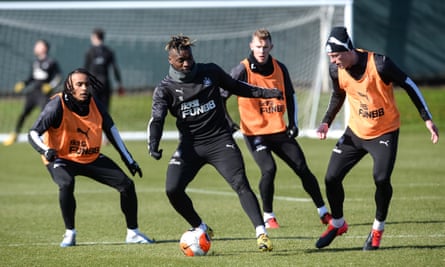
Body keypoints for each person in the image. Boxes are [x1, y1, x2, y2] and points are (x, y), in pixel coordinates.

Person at [147, 34, 284, 252]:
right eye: (181, 60)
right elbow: (157, 119)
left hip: (220, 142)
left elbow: (239, 87)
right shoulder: (165, 89)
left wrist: (267, 93)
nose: (187, 63)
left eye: (189, 58)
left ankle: (261, 233)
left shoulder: (209, 71)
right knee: (172, 189)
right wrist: (153, 144)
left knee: (241, 184)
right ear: (170, 61)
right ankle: (200, 227)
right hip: (190, 147)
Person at [315, 27, 439, 250]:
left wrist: (426, 118)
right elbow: (338, 94)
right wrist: (326, 121)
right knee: (331, 178)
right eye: (330, 57)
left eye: (335, 56)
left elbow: (409, 84)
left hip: (384, 131)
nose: (333, 61)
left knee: (381, 179)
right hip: (355, 131)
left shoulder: (380, 64)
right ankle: (338, 223)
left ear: (347, 50)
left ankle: (377, 229)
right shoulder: (337, 71)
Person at [28, 68, 153, 247]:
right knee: (66, 183)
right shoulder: (56, 105)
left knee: (127, 185)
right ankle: (70, 233)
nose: (84, 88)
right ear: (70, 87)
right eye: (79, 84)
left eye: (87, 84)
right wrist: (46, 150)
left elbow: (111, 130)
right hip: (61, 157)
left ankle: (133, 233)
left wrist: (129, 159)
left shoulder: (95, 103)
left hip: (90, 157)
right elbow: (33, 133)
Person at [221, 28, 331, 229]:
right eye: (258, 47)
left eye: (265, 47)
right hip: (254, 133)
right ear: (251, 47)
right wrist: (228, 122)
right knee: (269, 169)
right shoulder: (241, 70)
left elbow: (290, 95)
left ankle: (323, 212)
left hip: (278, 130)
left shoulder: (280, 68)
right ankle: (268, 216)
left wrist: (293, 123)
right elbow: (221, 97)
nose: (261, 50)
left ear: (271, 47)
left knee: (302, 168)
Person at [3, 39, 62, 146]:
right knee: (24, 114)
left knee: (46, 115)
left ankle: (50, 137)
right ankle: (15, 133)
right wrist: (24, 84)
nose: (36, 47)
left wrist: (50, 86)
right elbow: (32, 77)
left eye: (38, 45)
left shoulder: (51, 62)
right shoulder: (35, 62)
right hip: (34, 92)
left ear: (44, 48)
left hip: (43, 94)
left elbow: (58, 77)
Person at [84, 28, 124, 112]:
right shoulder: (109, 51)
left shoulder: (90, 52)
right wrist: (119, 84)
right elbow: (115, 69)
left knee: (93, 110)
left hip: (93, 84)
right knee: (105, 110)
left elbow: (85, 70)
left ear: (95, 37)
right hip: (105, 83)